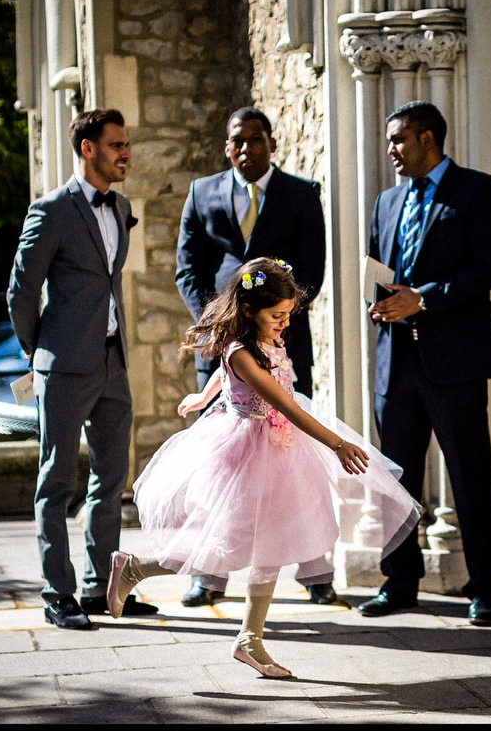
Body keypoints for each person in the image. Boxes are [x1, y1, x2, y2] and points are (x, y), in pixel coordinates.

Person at [107, 257, 420, 677]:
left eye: (288, 315)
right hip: (247, 451)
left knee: (271, 541)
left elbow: (234, 375)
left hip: (278, 450)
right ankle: (135, 568)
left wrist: (204, 395)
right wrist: (336, 442)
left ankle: (250, 639)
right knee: (223, 547)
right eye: (277, 315)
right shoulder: (239, 350)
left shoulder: (260, 338)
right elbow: (283, 403)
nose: (284, 323)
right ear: (251, 309)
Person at [174, 106, 334, 607]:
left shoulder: (302, 195)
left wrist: (269, 326)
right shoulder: (202, 192)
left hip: (280, 348)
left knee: (293, 463)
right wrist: (224, 328)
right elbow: (188, 268)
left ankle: (315, 572)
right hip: (224, 352)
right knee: (219, 472)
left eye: (254, 140)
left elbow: (311, 272)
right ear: (227, 146)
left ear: (271, 143)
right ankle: (209, 575)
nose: (245, 149)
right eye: (236, 141)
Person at [7, 109, 158, 630]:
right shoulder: (50, 210)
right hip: (63, 367)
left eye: (127, 144)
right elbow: (21, 291)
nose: (126, 154)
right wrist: (39, 352)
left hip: (113, 363)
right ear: (88, 149)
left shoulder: (120, 205)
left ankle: (103, 586)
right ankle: (58, 592)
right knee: (56, 480)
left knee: (112, 478)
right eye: (117, 145)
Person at [361, 100, 491, 627]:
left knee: (470, 477)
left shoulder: (478, 190)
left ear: (428, 138)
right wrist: (378, 302)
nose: (391, 151)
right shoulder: (385, 200)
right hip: (395, 365)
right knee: (395, 482)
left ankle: (486, 589)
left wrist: (421, 298)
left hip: (456, 363)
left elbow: (485, 271)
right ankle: (399, 583)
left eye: (398, 140)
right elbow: (376, 268)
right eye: (388, 142)